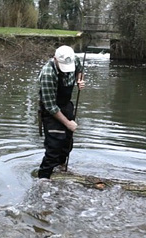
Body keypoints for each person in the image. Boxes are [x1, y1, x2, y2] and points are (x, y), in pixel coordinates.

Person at [38, 45, 85, 179]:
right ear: (55, 59)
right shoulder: (48, 74)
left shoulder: (73, 59)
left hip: (67, 105)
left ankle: (60, 174)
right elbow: (51, 106)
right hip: (51, 110)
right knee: (53, 149)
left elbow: (80, 71)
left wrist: (79, 80)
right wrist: (68, 124)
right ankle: (43, 180)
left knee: (66, 145)